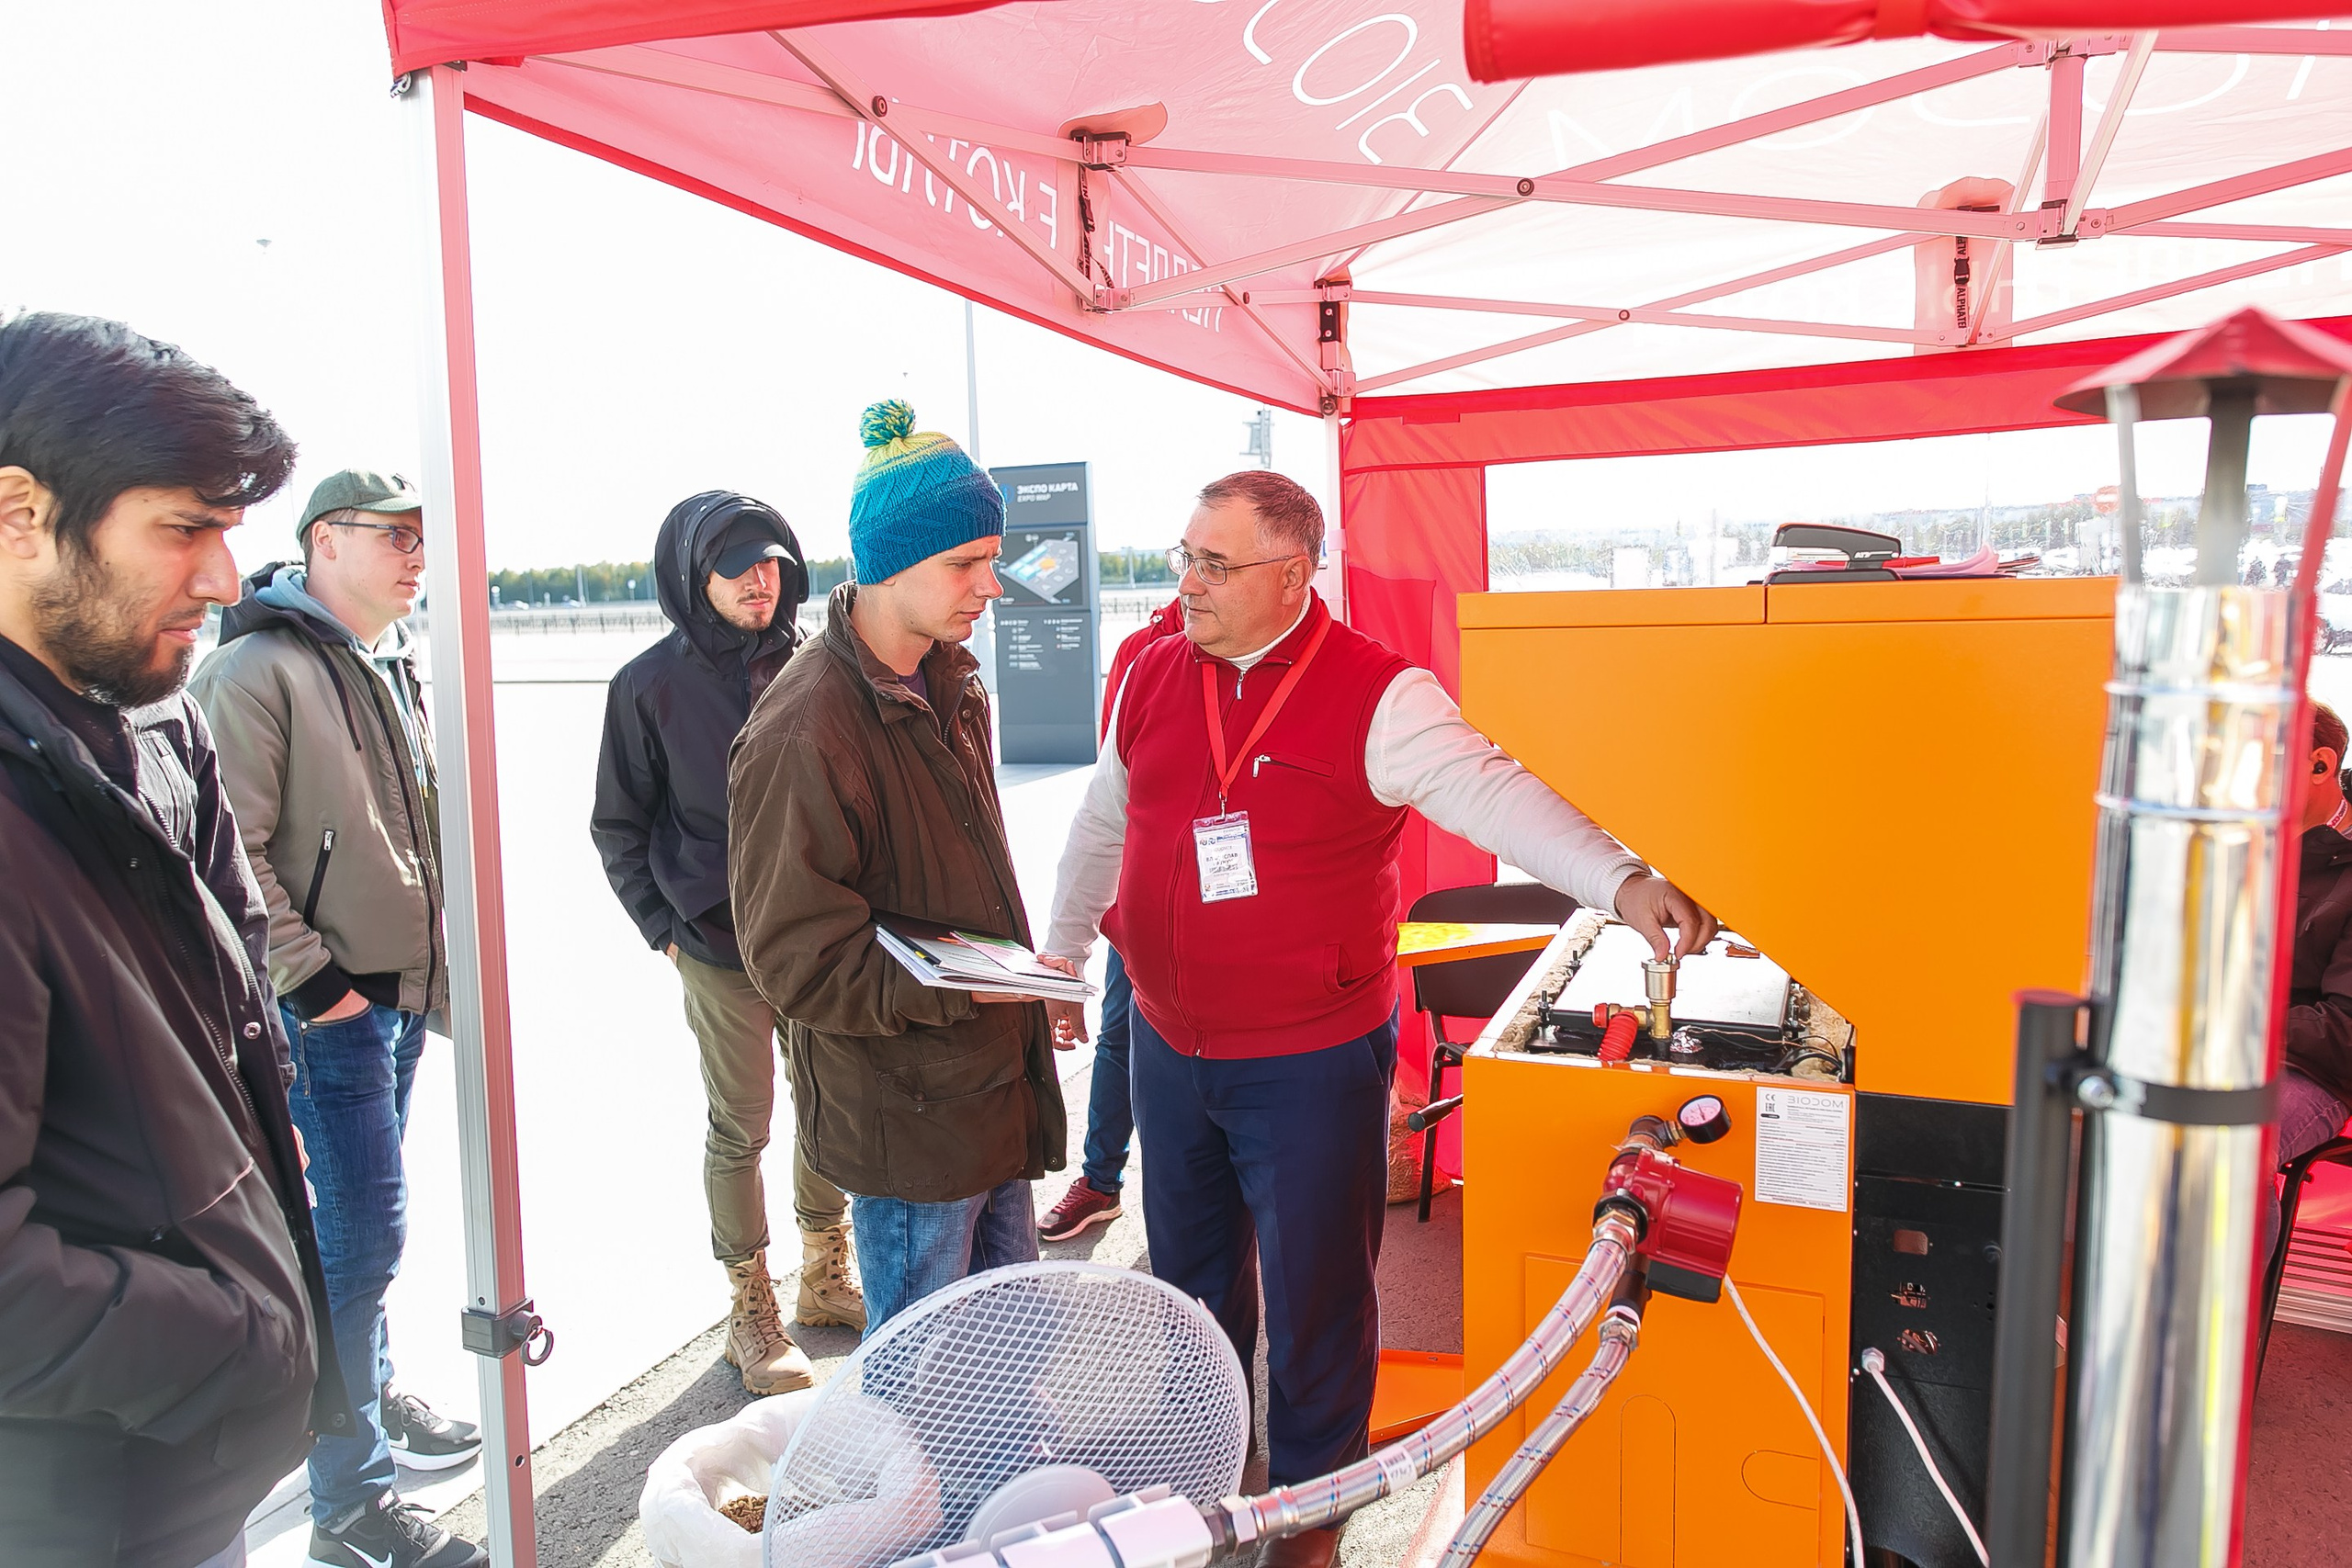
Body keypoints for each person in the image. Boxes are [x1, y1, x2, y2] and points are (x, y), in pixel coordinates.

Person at [1042, 471, 1714, 1568]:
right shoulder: (1156, 670)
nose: (1187, 584)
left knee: (1318, 1303)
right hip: (1169, 1045)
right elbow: (1103, 820)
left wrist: (1622, 882)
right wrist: (1064, 951)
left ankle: (1310, 1519)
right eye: (1185, 556)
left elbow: (1500, 795)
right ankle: (1206, 1482)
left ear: (1295, 573)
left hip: (1307, 1060)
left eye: (1216, 564)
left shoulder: (1379, 694)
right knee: (1190, 1289)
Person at [0, 311, 348, 1568]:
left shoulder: (154, 722)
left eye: (231, 531)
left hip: (192, 1473)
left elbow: (223, 1019)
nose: (221, 577)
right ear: (20, 513)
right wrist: (237, 1336)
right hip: (77, 1502)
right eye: (183, 528)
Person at [189, 471, 486, 1568]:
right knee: (357, 1246)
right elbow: (226, 853)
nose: (419, 554)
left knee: (364, 1240)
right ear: (322, 542)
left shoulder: (382, 664)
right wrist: (317, 984)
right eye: (394, 534)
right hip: (329, 1016)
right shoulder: (255, 671)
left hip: (392, 1003)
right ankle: (348, 1506)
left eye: (426, 537)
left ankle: (373, 1392)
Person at [729, 400, 1069, 1335]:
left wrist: (1016, 984)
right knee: (923, 1387)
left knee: (1010, 1361)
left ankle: (1005, 1488)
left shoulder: (949, 678)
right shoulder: (803, 729)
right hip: (911, 1114)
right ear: (887, 563)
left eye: (991, 558)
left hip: (985, 1087)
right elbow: (797, 960)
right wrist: (969, 987)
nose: (992, 585)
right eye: (966, 561)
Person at [592, 491, 865, 1395]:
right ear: (689, 575)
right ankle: (750, 1307)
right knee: (740, 1123)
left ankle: (826, 1273)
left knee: (827, 1104)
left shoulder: (824, 663)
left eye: (775, 561)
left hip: (819, 936)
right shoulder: (646, 686)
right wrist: (663, 931)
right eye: (738, 564)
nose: (762, 579)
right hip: (714, 943)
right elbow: (618, 824)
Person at [1035, 595, 1184, 1243]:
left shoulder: (1303, 651)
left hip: (1242, 903)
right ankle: (1101, 1179)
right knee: (1124, 1032)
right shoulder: (1143, 653)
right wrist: (1068, 950)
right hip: (1146, 891)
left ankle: (1216, 1196)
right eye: (1195, 559)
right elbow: (1111, 797)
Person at [2269, 699, 2352, 1256]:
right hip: (2214, 1048)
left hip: (2312, 1070)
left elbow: (2344, 1032)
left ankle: (2216, 1335)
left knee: (2224, 1141)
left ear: (2320, 766)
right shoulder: (2236, 852)